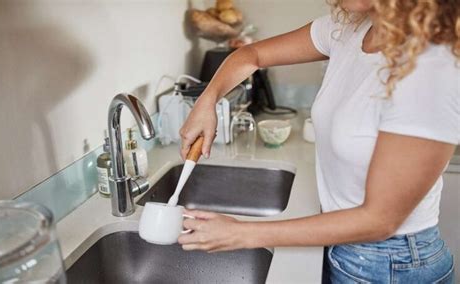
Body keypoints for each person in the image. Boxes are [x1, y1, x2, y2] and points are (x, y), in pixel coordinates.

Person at [178, 0, 459, 282]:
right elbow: (251, 55)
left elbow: (380, 220)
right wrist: (208, 100)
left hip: (391, 265)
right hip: (344, 246)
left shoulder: (432, 67)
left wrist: (241, 234)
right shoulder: (350, 28)